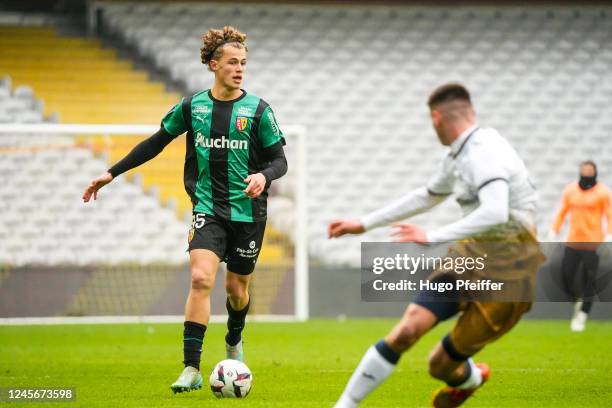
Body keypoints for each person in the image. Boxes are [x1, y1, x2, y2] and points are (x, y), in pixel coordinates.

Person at [82, 26, 287, 393]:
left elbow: (279, 160)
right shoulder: (193, 107)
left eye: (243, 63)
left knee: (237, 290)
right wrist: (111, 172)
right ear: (213, 65)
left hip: (248, 213)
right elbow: (156, 142)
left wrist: (263, 176)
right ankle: (191, 369)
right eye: (232, 62)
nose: (240, 69)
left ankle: (234, 341)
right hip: (207, 208)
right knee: (200, 279)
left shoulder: (258, 110)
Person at [328, 83, 543, 408]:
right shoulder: (459, 153)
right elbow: (428, 195)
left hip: (512, 271)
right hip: (472, 254)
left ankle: (469, 378)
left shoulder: (485, 151)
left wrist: (432, 235)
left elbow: (495, 210)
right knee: (406, 330)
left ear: (437, 117)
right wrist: (365, 223)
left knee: (439, 365)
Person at [551, 160, 611, 332]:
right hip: (573, 242)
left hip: (593, 244)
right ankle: (576, 301)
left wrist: (609, 235)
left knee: (589, 281)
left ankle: (583, 315)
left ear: (595, 172)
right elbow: (562, 211)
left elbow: (610, 214)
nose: (586, 173)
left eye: (589, 170)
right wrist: (554, 230)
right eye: (584, 170)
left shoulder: (603, 192)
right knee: (566, 277)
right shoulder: (570, 190)